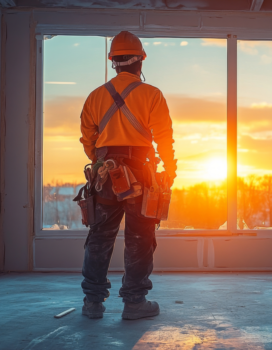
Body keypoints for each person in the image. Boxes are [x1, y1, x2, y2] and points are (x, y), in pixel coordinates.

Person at [78, 31, 176, 320]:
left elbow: (88, 140)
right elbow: (164, 138)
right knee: (140, 238)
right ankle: (134, 302)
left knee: (99, 238)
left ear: (114, 63)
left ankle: (92, 303)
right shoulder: (152, 94)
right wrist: (169, 171)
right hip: (142, 176)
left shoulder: (95, 96)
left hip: (105, 176)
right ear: (140, 61)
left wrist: (101, 165)